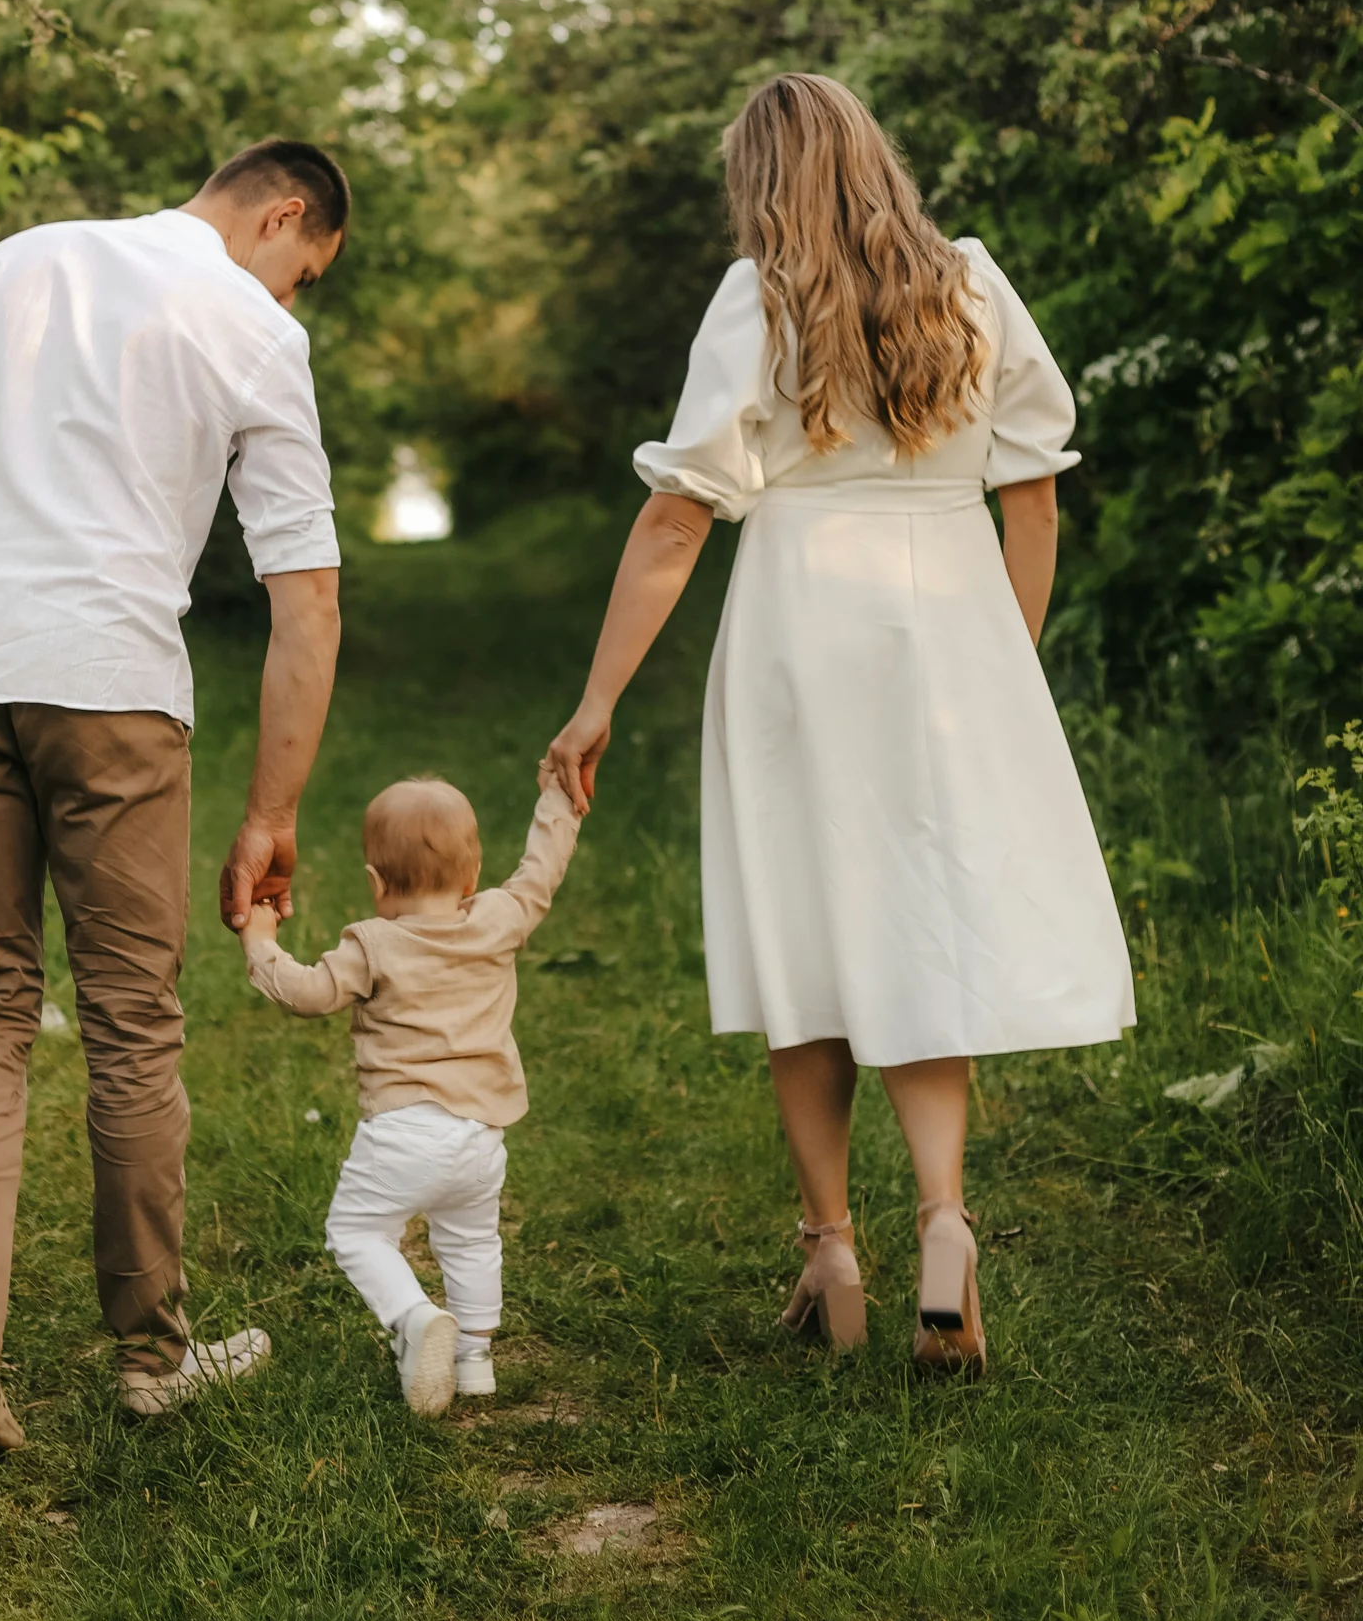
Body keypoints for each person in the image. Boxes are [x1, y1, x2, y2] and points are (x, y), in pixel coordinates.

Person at [544, 74, 1133, 1376]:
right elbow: (1031, 500)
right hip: (948, 621)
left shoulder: (759, 297)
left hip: (799, 625)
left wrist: (597, 703)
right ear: (878, 158)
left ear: (759, 179)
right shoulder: (971, 282)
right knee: (923, 916)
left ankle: (830, 1247)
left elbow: (678, 517)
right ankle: (944, 1224)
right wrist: (1002, 665)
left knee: (802, 924)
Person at [0, 141, 348, 1450]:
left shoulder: (10, 268)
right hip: (111, 682)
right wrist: (272, 814)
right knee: (129, 1019)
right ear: (283, 214)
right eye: (306, 272)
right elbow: (307, 593)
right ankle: (152, 1356)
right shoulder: (251, 331)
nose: (294, 299)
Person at [239, 768, 581, 1412]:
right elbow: (542, 869)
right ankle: (475, 1360)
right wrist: (559, 800)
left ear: (374, 883)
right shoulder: (499, 919)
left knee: (358, 1233)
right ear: (473, 877)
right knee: (473, 1239)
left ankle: (414, 1318)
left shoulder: (373, 943)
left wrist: (261, 946)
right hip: (481, 1137)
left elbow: (309, 994)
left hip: (402, 1132)